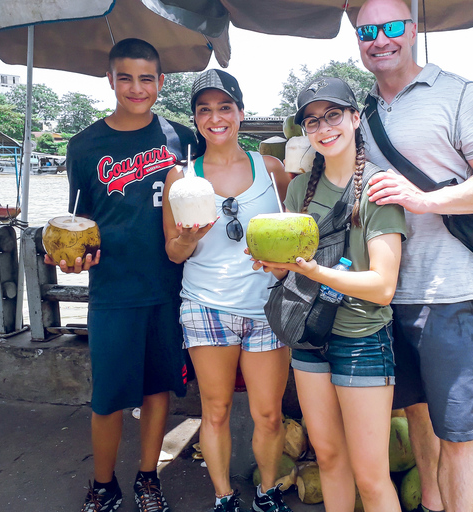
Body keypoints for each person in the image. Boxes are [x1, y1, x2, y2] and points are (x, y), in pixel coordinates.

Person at [354, 1, 473, 511]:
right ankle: (431, 502)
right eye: (367, 30)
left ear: (411, 30)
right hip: (384, 292)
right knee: (417, 412)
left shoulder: (456, 93)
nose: (379, 39)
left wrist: (426, 201)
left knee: (459, 428)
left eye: (390, 27)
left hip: (446, 289)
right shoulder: (363, 114)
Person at [45, 38, 196, 512]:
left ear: (161, 83)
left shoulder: (184, 139)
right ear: (109, 80)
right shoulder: (84, 144)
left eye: (146, 78)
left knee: (157, 390)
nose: (136, 88)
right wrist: (69, 259)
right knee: (107, 397)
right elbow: (77, 223)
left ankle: (147, 477)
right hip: (111, 289)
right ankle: (102, 483)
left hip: (169, 287)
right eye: (125, 77)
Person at [253, 77, 406, 512]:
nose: (324, 127)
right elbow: (296, 266)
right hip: (308, 333)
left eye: (334, 115)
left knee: (372, 477)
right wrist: (275, 264)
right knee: (330, 458)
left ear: (355, 118)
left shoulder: (378, 189)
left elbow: (383, 287)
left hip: (361, 336)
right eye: (312, 121)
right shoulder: (301, 190)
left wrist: (316, 271)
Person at [161, 69, 293, 512]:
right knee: (214, 411)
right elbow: (174, 254)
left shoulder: (271, 171)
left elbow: (293, 236)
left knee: (268, 414)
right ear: (195, 119)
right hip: (206, 306)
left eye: (224, 107)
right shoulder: (181, 178)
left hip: (266, 308)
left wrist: (282, 263)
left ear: (240, 112)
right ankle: (223, 497)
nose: (215, 118)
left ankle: (268, 492)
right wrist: (188, 237)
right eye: (204, 110)